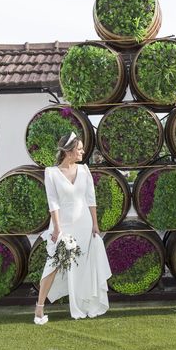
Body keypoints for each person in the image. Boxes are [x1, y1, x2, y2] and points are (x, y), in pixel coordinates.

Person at [34, 132, 112, 324]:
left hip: (85, 225)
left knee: (84, 266)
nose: (83, 151)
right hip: (62, 226)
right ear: (69, 152)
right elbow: (53, 202)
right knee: (52, 264)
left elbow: (90, 199)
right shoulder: (51, 173)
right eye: (79, 149)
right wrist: (57, 229)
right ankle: (39, 308)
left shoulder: (85, 170)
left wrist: (95, 224)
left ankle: (85, 304)